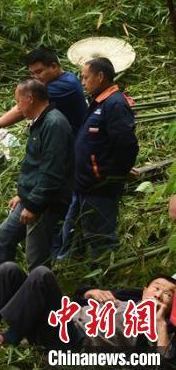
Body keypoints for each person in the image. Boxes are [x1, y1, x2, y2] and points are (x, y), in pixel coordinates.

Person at [0, 262, 176, 358]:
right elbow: (80, 293)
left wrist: (160, 324)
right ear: (145, 289)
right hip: (59, 319)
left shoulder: (162, 327)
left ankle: (7, 338)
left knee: (42, 275)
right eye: (157, 287)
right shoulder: (130, 295)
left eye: (168, 293)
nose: (159, 294)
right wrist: (90, 292)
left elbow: (163, 362)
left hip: (72, 340)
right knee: (9, 270)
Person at [0, 79, 73, 273]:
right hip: (30, 198)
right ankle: (1, 287)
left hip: (44, 202)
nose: (18, 107)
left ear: (30, 98)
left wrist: (33, 205)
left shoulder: (54, 124)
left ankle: (38, 297)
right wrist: (23, 194)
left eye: (18, 102)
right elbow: (35, 165)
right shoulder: (40, 122)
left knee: (36, 258)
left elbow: (52, 172)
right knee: (4, 236)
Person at [62, 57, 138, 259]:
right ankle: (70, 273)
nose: (83, 82)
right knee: (73, 233)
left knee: (100, 240)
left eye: (86, 77)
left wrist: (110, 174)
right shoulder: (99, 101)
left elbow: (126, 144)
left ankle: (105, 280)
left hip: (99, 187)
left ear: (101, 76)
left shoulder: (115, 104)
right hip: (84, 185)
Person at [0, 47, 87, 143]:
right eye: (32, 74)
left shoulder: (64, 86)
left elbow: (23, 107)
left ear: (54, 66)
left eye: (39, 72)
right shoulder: (66, 77)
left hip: (73, 140)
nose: (36, 77)